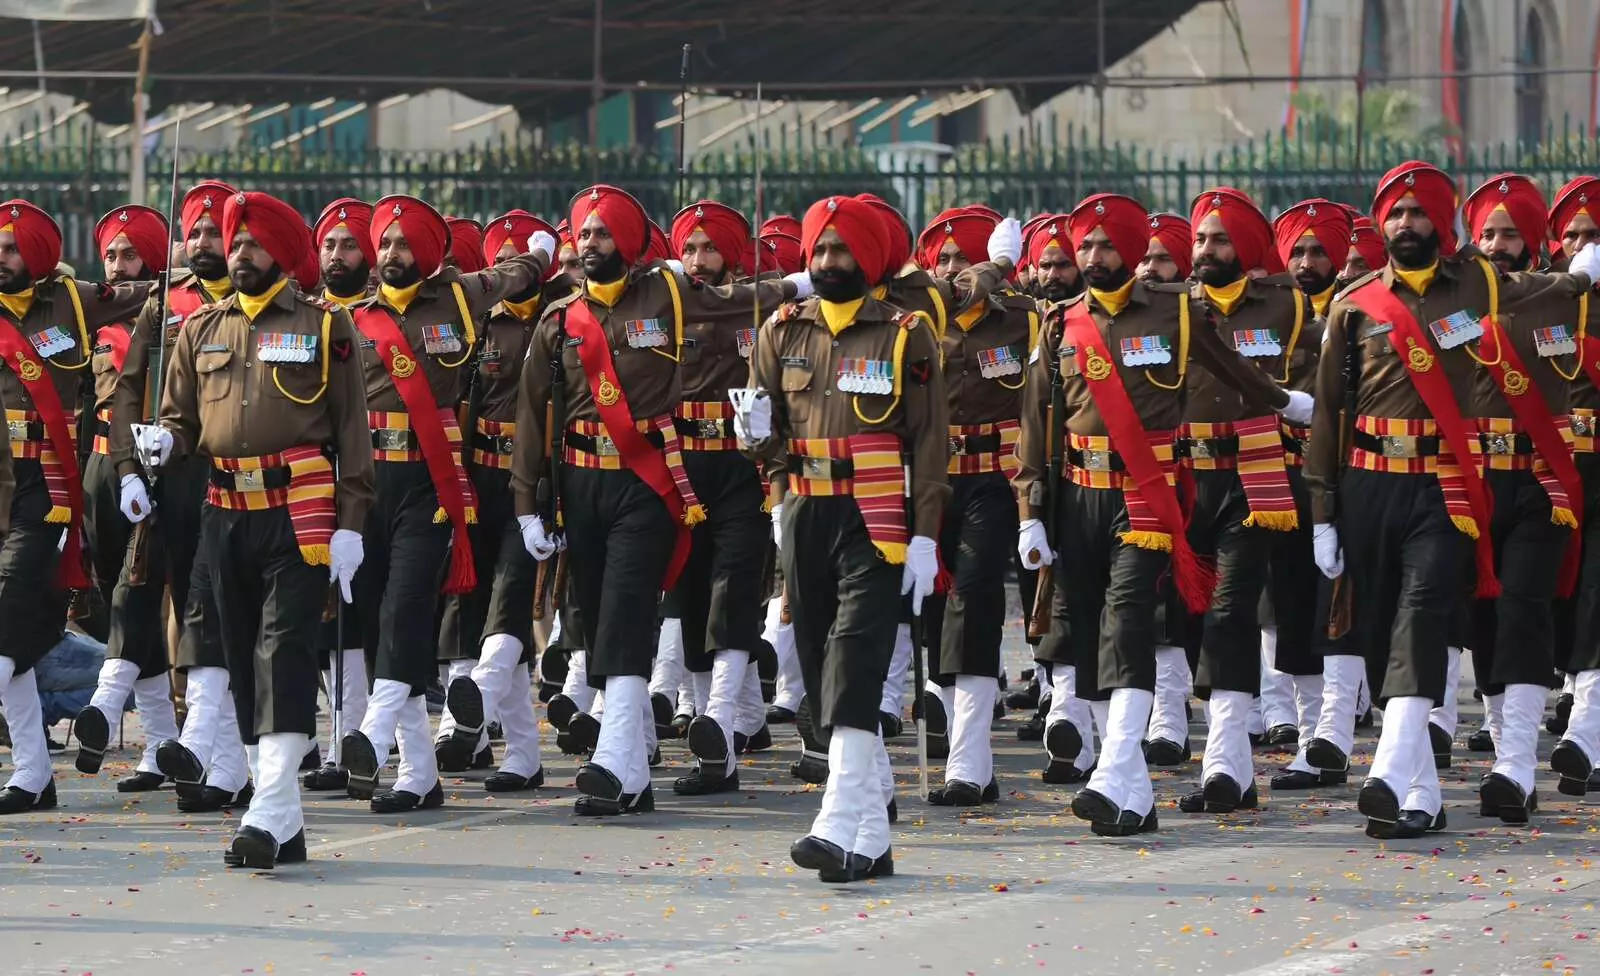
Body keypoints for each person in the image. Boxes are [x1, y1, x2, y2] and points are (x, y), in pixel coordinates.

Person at [1307, 161, 1600, 839]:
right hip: (1371, 483)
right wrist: (1323, 511)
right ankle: (1421, 790)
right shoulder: (1353, 305)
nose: (1406, 225)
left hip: (1462, 482)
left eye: (1419, 214)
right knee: (1386, 630)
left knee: (1443, 615)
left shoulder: (1487, 288)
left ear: (1442, 224)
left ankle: (1475, 765)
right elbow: (1329, 413)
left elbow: (1554, 286)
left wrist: (1583, 272)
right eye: (1396, 214)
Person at [1015, 193, 1307, 837]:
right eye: (1085, 246)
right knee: (1092, 626)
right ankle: (1132, 788)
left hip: (1150, 492)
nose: (1094, 257)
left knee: (1133, 621)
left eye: (1107, 246)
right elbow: (1038, 424)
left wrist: (1286, 401)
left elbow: (1233, 368)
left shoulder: (1177, 313)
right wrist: (1030, 509)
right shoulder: (1060, 324)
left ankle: (1126, 769)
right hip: (1078, 494)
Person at [511, 184, 802, 816]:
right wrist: (527, 502)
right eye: (583, 234)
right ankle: (632, 754)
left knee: (627, 607)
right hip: (581, 481)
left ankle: (618, 760)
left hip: (648, 483)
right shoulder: (559, 317)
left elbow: (735, 301)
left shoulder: (668, 294)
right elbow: (533, 416)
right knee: (593, 605)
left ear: (631, 242)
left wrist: (799, 287)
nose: (591, 245)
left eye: (603, 233)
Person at [138, 189, 374, 868]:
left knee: (284, 653)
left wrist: (351, 523)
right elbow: (182, 422)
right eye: (233, 242)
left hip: (299, 511)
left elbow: (352, 435)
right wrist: (162, 444)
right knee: (239, 658)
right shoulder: (200, 330)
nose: (240, 252)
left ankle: (267, 810)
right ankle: (284, 817)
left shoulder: (327, 328)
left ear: (283, 253)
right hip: (224, 512)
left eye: (253, 242)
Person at [738, 193, 946, 881]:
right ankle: (872, 832)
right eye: (820, 249)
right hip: (805, 509)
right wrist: (758, 453)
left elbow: (929, 442)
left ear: (870, 258)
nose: (829, 261)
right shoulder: (781, 330)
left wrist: (925, 537)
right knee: (816, 653)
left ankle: (835, 819)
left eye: (842, 249)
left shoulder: (905, 331)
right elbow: (765, 433)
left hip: (877, 514)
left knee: (854, 656)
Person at [337, 195, 553, 813]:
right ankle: (419, 774)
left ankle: (376, 738)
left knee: (408, 609)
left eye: (405, 244)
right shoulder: (348, 317)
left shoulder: (460, 298)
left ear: (429, 253)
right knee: (383, 620)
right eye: (386, 244)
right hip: (368, 483)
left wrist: (540, 255)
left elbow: (515, 274)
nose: (392, 254)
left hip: (432, 485)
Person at [102, 182, 252, 814]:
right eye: (195, 233)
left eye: (214, 232)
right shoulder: (165, 303)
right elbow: (129, 393)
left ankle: (222, 756)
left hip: (239, 483)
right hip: (171, 478)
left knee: (216, 613)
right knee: (145, 598)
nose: (202, 243)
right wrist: (131, 469)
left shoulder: (270, 307)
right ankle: (191, 751)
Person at [0, 199, 153, 814]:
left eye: (11, 249)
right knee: (17, 638)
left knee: (10, 607)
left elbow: (154, 295)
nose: (2, 259)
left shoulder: (72, 300)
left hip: (48, 485)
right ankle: (34, 773)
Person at [1172, 188, 1314, 815]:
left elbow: (1317, 385)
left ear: (1249, 249)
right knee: (1189, 621)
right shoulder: (1171, 309)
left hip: (1255, 477)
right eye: (1200, 239)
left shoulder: (1292, 307)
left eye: (1220, 239)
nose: (1206, 250)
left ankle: (1226, 764)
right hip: (1181, 480)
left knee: (1233, 613)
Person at [1459, 173, 1594, 824]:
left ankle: (1516, 764)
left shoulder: (1563, 296)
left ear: (1536, 240)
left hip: (1542, 479)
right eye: (1486, 232)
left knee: (1523, 607)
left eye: (1510, 232)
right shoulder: (1454, 299)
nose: (1496, 243)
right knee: (1480, 616)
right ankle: (1494, 726)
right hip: (1471, 479)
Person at [435, 210, 576, 793]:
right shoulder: (480, 325)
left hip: (539, 481)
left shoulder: (567, 319)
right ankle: (522, 752)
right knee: (478, 604)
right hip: (483, 477)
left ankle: (471, 707)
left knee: (514, 594)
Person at [916, 209, 1038, 804]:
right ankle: (945, 718)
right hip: (933, 480)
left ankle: (970, 758)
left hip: (994, 478)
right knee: (935, 606)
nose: (953, 271)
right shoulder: (916, 320)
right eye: (943, 260)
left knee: (975, 596)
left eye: (964, 259)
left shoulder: (1023, 319)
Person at [73, 204, 181, 794]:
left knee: (134, 590)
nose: (117, 266)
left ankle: (108, 703)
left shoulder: (173, 315)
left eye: (129, 254)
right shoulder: (93, 318)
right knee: (118, 591)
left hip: (152, 465)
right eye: (111, 254)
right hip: (99, 465)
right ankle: (160, 745)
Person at [1263, 199, 1349, 793]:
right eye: (1296, 249)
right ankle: (1309, 736)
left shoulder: (1362, 308)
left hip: (1350, 478)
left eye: (1318, 250)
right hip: (1285, 479)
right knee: (1292, 610)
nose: (1307, 261)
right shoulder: (1270, 315)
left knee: (1340, 612)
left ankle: (1334, 734)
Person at [298, 197, 378, 792]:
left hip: (385, 481)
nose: (336, 254)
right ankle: (338, 743)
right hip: (320, 482)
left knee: (375, 615)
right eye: (328, 244)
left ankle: (379, 740)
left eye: (349, 244)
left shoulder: (389, 315)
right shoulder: (306, 316)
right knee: (333, 622)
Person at [1548, 175, 1600, 796]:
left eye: (1595, 234)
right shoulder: (1546, 300)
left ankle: (1583, 732)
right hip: (1556, 470)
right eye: (1574, 236)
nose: (1585, 244)